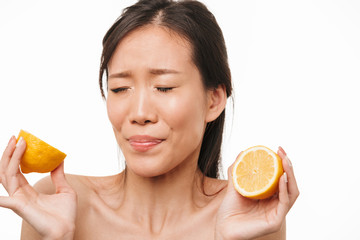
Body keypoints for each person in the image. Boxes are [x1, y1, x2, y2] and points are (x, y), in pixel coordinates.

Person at [0, 0, 299, 239]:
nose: (139, 113)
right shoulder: (57, 203)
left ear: (214, 100)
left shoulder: (244, 215)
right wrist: (58, 237)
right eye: (120, 88)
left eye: (164, 87)